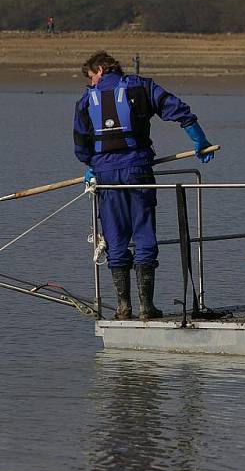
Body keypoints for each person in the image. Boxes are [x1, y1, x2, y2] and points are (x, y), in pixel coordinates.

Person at [73, 51, 215, 320]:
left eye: (91, 77)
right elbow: (178, 110)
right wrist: (199, 139)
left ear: (100, 69)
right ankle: (146, 308)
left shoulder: (84, 101)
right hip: (138, 170)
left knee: (115, 237)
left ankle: (123, 307)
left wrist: (90, 166)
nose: (90, 84)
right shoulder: (142, 86)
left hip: (106, 176)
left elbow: (81, 142)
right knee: (143, 232)